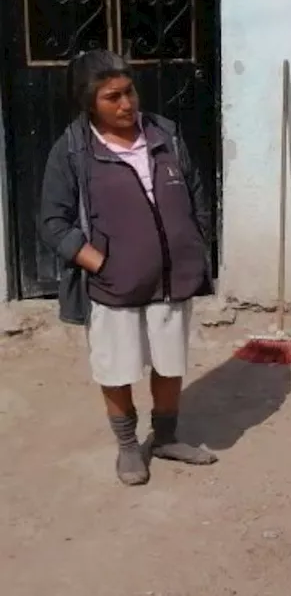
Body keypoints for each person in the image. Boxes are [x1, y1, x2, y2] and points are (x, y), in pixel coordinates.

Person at [40, 50, 217, 486]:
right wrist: (98, 262)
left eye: (129, 91)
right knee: (117, 368)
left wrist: (196, 242)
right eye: (112, 97)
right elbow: (52, 222)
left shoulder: (165, 134)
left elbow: (195, 192)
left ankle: (167, 437)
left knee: (170, 361)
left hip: (173, 279)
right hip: (113, 286)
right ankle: (127, 447)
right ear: (89, 103)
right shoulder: (73, 150)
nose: (126, 104)